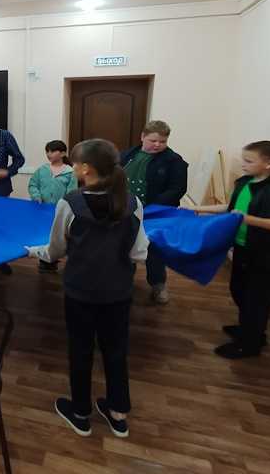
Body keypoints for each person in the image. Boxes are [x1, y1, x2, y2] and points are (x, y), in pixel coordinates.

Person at [27, 139, 149, 439]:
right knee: (116, 350)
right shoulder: (133, 203)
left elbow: (55, 251)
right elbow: (139, 253)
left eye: (75, 163)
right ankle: (118, 414)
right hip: (118, 291)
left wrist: (32, 251)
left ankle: (80, 412)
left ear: (85, 169)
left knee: (80, 349)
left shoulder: (70, 203)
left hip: (80, 291)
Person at [184, 141, 270, 359]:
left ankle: (249, 344)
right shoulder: (245, 183)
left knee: (256, 298)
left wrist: (249, 219)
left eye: (249, 161)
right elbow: (230, 208)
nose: (243, 164)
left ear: (268, 163)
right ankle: (250, 330)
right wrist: (196, 209)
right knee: (239, 289)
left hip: (264, 254)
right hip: (243, 248)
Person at [120, 120, 187, 304]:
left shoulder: (174, 161)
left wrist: (151, 208)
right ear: (142, 137)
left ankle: (158, 285)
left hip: (155, 214)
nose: (158, 145)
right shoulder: (126, 155)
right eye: (153, 140)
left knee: (154, 249)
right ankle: (124, 282)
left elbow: (177, 189)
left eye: (162, 141)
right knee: (125, 246)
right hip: (126, 211)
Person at [28, 140, 78, 272]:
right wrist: (36, 196)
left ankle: (54, 259)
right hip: (42, 210)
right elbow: (33, 185)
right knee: (43, 235)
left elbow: (72, 192)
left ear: (63, 153)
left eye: (52, 151)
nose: (49, 154)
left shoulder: (70, 172)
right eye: (47, 151)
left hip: (59, 212)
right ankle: (44, 261)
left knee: (57, 236)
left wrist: (63, 206)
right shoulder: (41, 170)